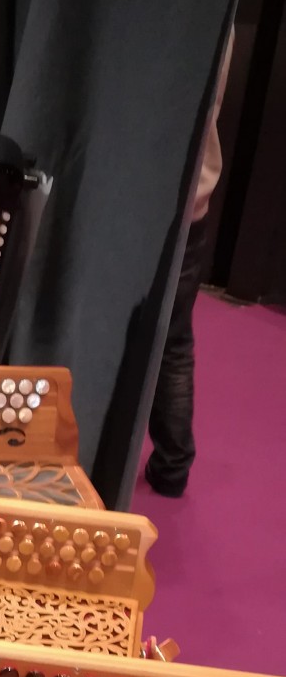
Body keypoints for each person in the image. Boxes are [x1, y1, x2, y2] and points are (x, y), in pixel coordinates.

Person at [145, 33, 233, 497]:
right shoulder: (219, 13)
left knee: (115, 327)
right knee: (174, 337)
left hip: (147, 197)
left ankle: (93, 450)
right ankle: (173, 464)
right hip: (193, 197)